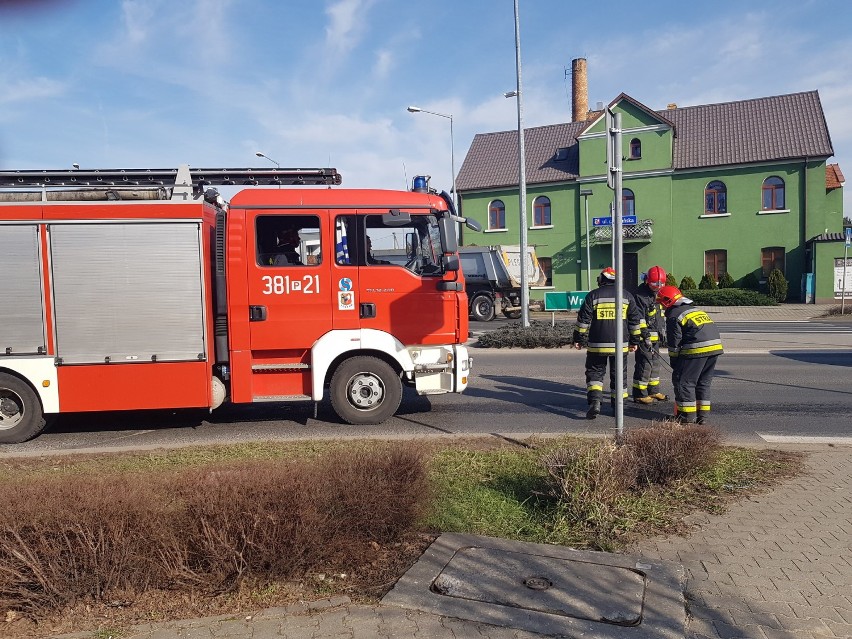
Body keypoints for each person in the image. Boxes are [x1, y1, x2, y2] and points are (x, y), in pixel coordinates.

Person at [572, 267, 645, 419]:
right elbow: (634, 322)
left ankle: (595, 403)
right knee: (619, 375)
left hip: (597, 344)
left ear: (602, 280)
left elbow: (583, 321)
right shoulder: (626, 296)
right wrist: (634, 341)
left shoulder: (593, 295)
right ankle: (619, 407)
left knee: (595, 373)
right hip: (620, 345)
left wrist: (579, 339)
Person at [657, 285, 724, 424]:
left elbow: (674, 342)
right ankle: (702, 418)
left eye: (662, 304)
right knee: (703, 383)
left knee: (684, 382)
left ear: (667, 301)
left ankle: (686, 418)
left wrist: (675, 362)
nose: (662, 308)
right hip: (715, 347)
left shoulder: (674, 315)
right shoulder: (694, 310)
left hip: (696, 349)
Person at [631, 266, 669, 405]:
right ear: (647, 281)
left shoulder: (657, 294)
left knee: (655, 365)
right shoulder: (639, 295)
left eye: (661, 284)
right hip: (643, 338)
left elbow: (659, 315)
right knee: (644, 365)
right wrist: (645, 336)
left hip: (656, 337)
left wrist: (663, 329)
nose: (658, 287)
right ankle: (639, 394)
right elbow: (639, 318)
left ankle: (654, 390)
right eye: (655, 284)